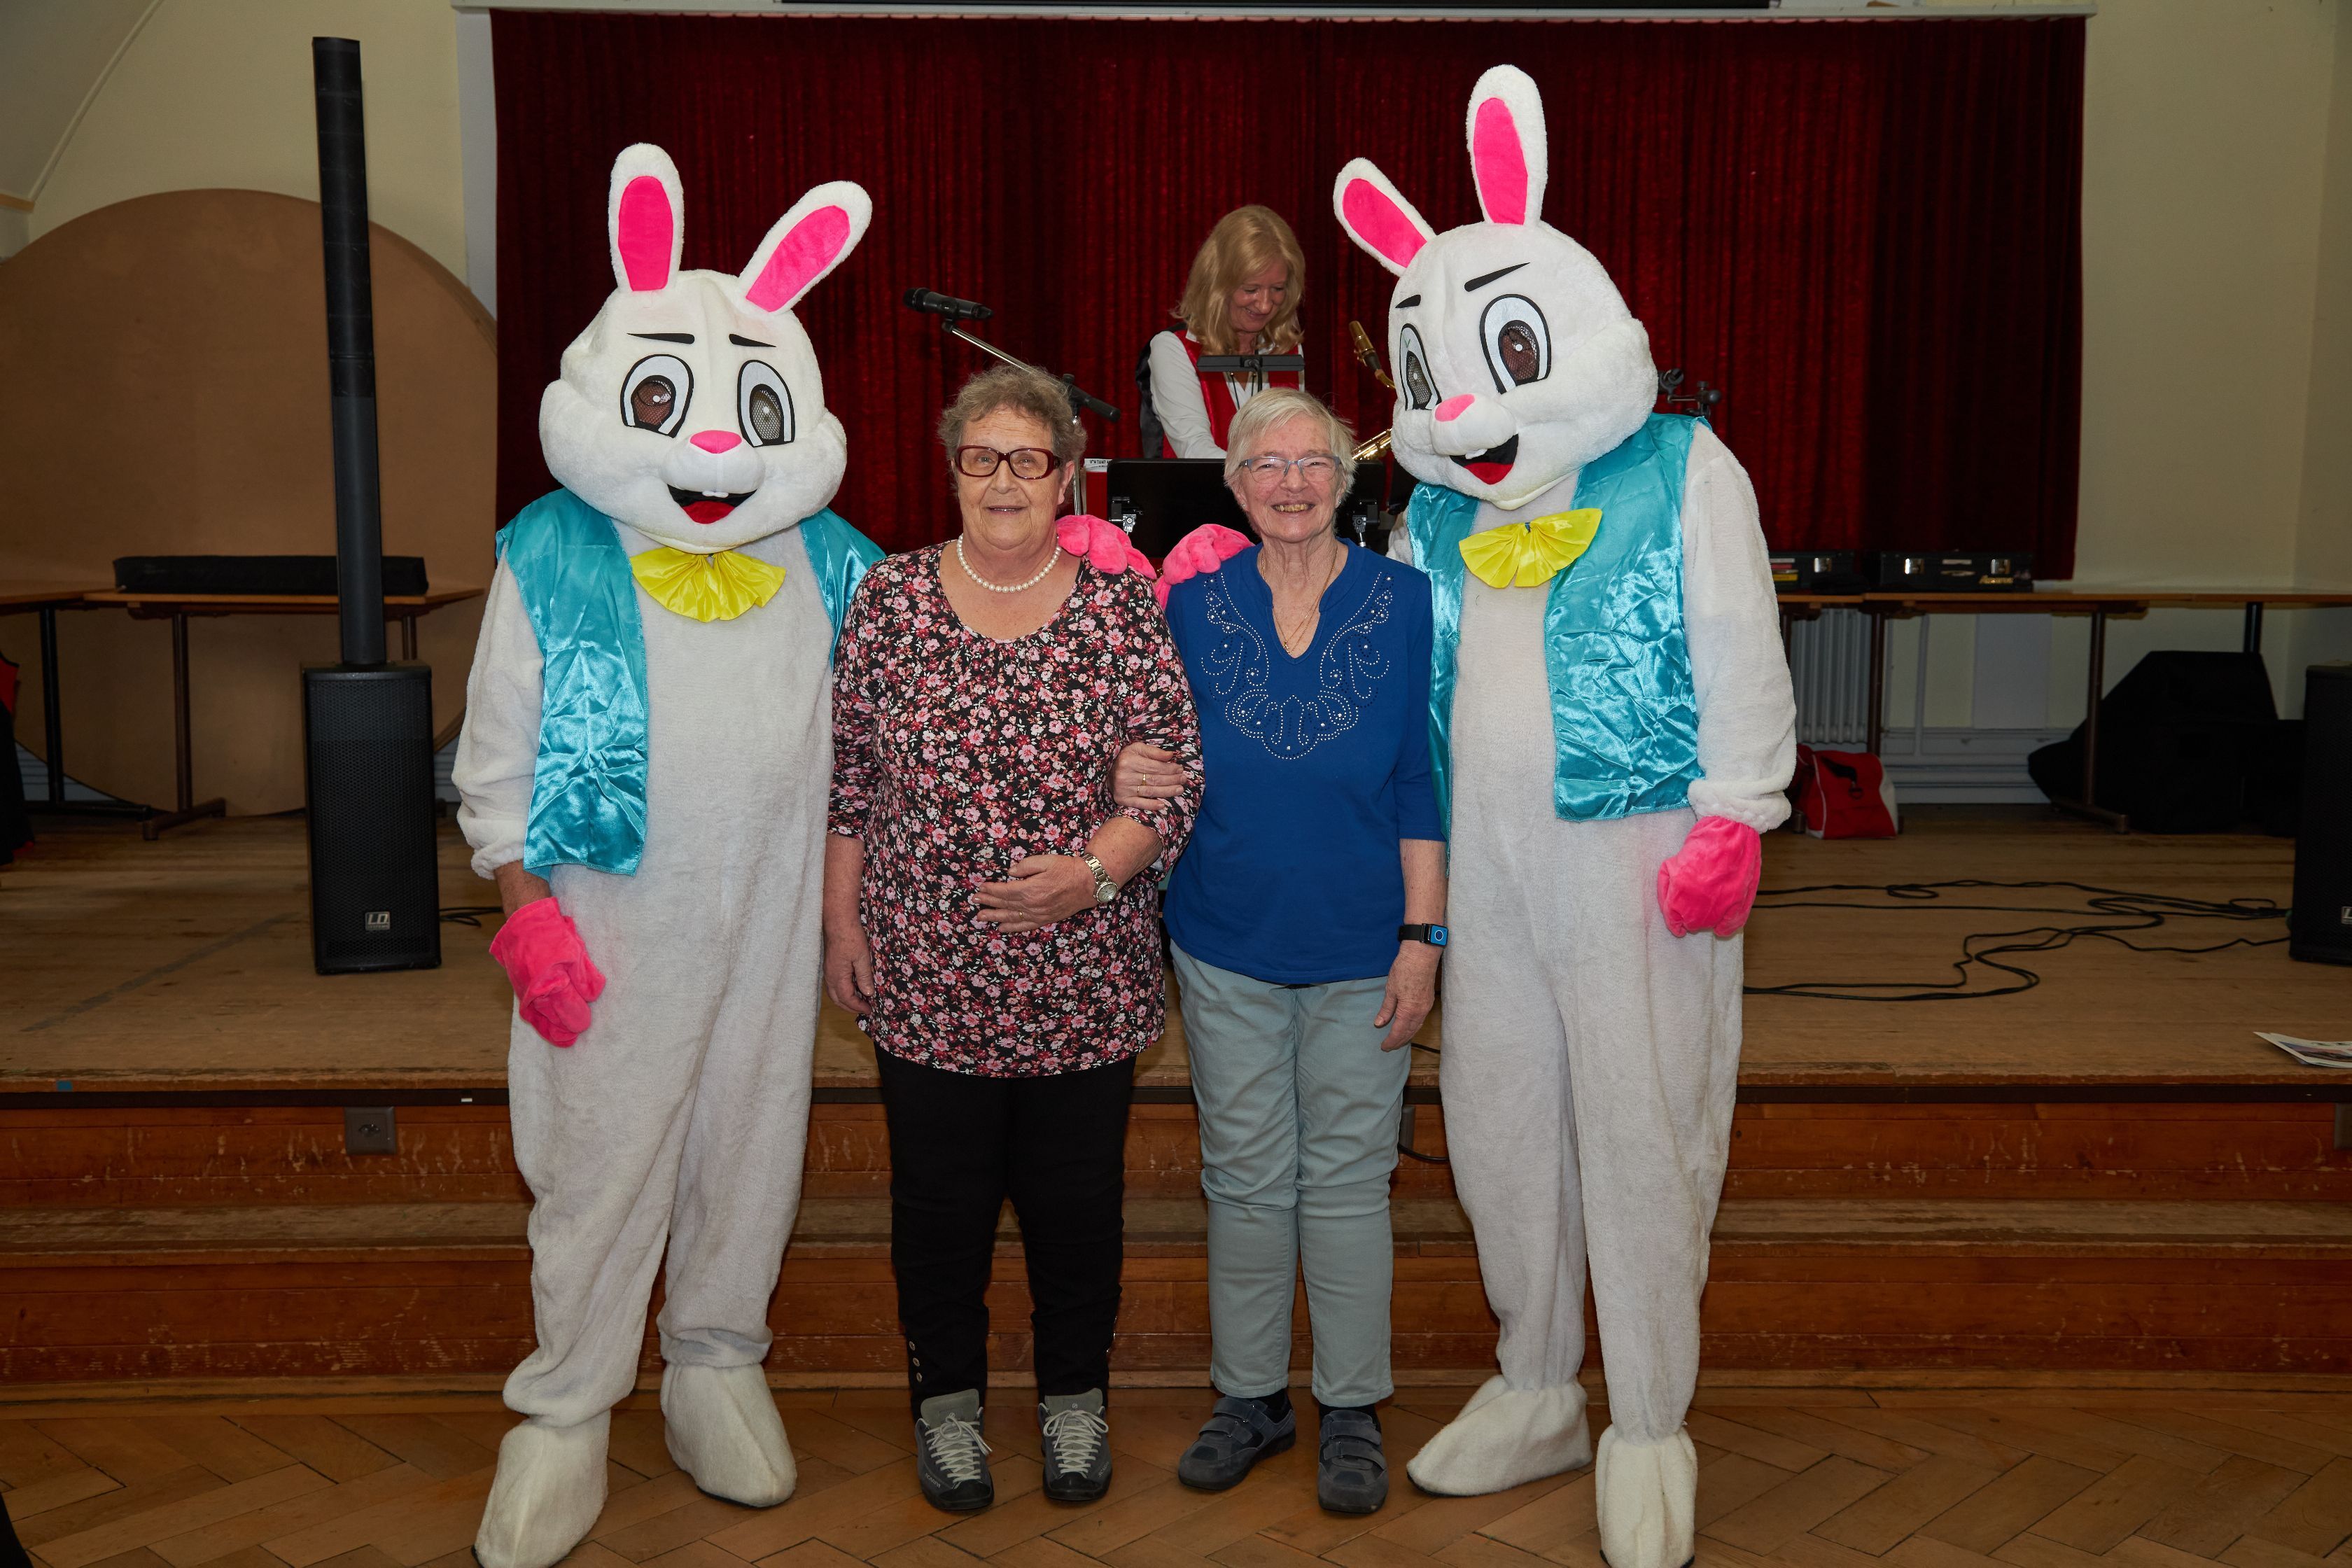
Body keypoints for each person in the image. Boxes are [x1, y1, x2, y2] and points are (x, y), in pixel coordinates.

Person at [1333, 68, 1795, 1566]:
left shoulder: (1681, 469)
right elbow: (1407, 686)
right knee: (1501, 1121)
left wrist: (1739, 812)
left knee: (1643, 1126)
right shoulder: (1438, 512)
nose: (1462, 406)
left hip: (1639, 861)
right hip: (1488, 871)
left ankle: (1648, 1415)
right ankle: (1536, 1377)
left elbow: (1739, 647)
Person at [456, 146, 878, 1568]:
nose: (714, 448)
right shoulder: (554, 548)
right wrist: (522, 905)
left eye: (752, 410)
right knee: (599, 1155)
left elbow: (920, 701)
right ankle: (567, 1403)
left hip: (770, 919)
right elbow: (495, 754)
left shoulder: (834, 559)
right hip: (607, 916)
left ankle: (714, 1359)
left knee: (752, 1140)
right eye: (666, 404)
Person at [822, 365, 1205, 1514]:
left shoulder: (1119, 610)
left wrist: (1090, 878)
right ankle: (946, 1410)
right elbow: (849, 783)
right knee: (937, 1213)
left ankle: (1074, 1402)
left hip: (1083, 980)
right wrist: (839, 920)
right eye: (981, 458)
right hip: (924, 975)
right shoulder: (889, 600)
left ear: (1066, 475)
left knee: (1077, 1212)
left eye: (1027, 460)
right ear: (952, 470)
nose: (1003, 481)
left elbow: (1175, 782)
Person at [1117, 388, 1444, 1515]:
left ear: (1345, 480)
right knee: (1245, 1178)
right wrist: (1125, 768)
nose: (1292, 481)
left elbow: (1421, 782)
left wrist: (1424, 938)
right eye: (1267, 462)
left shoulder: (1406, 601)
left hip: (1367, 943)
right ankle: (1251, 1397)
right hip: (1225, 938)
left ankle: (1351, 1407)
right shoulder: (1189, 607)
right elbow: (1150, 752)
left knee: (1348, 1183)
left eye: (1313, 462)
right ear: (1235, 484)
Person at [1149, 206, 1308, 458]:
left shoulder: (1288, 350)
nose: (1265, 305)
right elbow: (1195, 450)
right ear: (1217, 285)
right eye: (1251, 289)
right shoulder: (1173, 349)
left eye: (1277, 289)